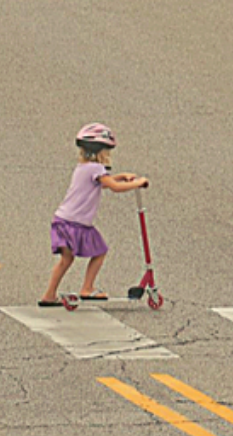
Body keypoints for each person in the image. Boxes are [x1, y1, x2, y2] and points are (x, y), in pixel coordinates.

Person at [38, 123, 149, 307]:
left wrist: (121, 176)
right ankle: (87, 288)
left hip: (64, 220)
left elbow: (104, 183)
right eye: (107, 151)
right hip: (76, 223)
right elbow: (113, 187)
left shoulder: (84, 167)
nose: (108, 156)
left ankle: (49, 295)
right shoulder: (96, 169)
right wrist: (138, 183)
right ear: (100, 152)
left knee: (66, 259)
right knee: (100, 251)